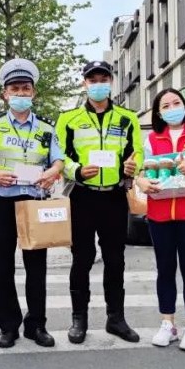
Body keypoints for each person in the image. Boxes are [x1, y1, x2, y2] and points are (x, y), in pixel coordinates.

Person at [55, 60, 143, 344]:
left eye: (103, 79)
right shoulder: (68, 119)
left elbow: (137, 152)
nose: (97, 84)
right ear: (85, 84)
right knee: (81, 259)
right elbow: (59, 156)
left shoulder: (127, 118)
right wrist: (76, 170)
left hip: (115, 197)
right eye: (92, 80)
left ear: (111, 82)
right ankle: (78, 318)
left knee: (116, 260)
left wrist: (133, 166)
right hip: (82, 196)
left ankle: (115, 318)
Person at [0, 60, 65, 349]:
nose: (20, 92)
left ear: (34, 93)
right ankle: (7, 326)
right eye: (14, 88)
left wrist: (53, 172)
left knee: (36, 266)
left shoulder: (45, 128)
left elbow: (57, 160)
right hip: (4, 202)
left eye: (25, 88)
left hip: (33, 202)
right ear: (5, 94)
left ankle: (37, 324)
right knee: (2, 266)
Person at [135, 88, 185, 352]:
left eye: (176, 103)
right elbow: (141, 171)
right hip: (160, 213)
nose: (172, 108)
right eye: (165, 105)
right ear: (159, 112)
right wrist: (142, 182)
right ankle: (168, 323)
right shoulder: (152, 139)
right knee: (165, 270)